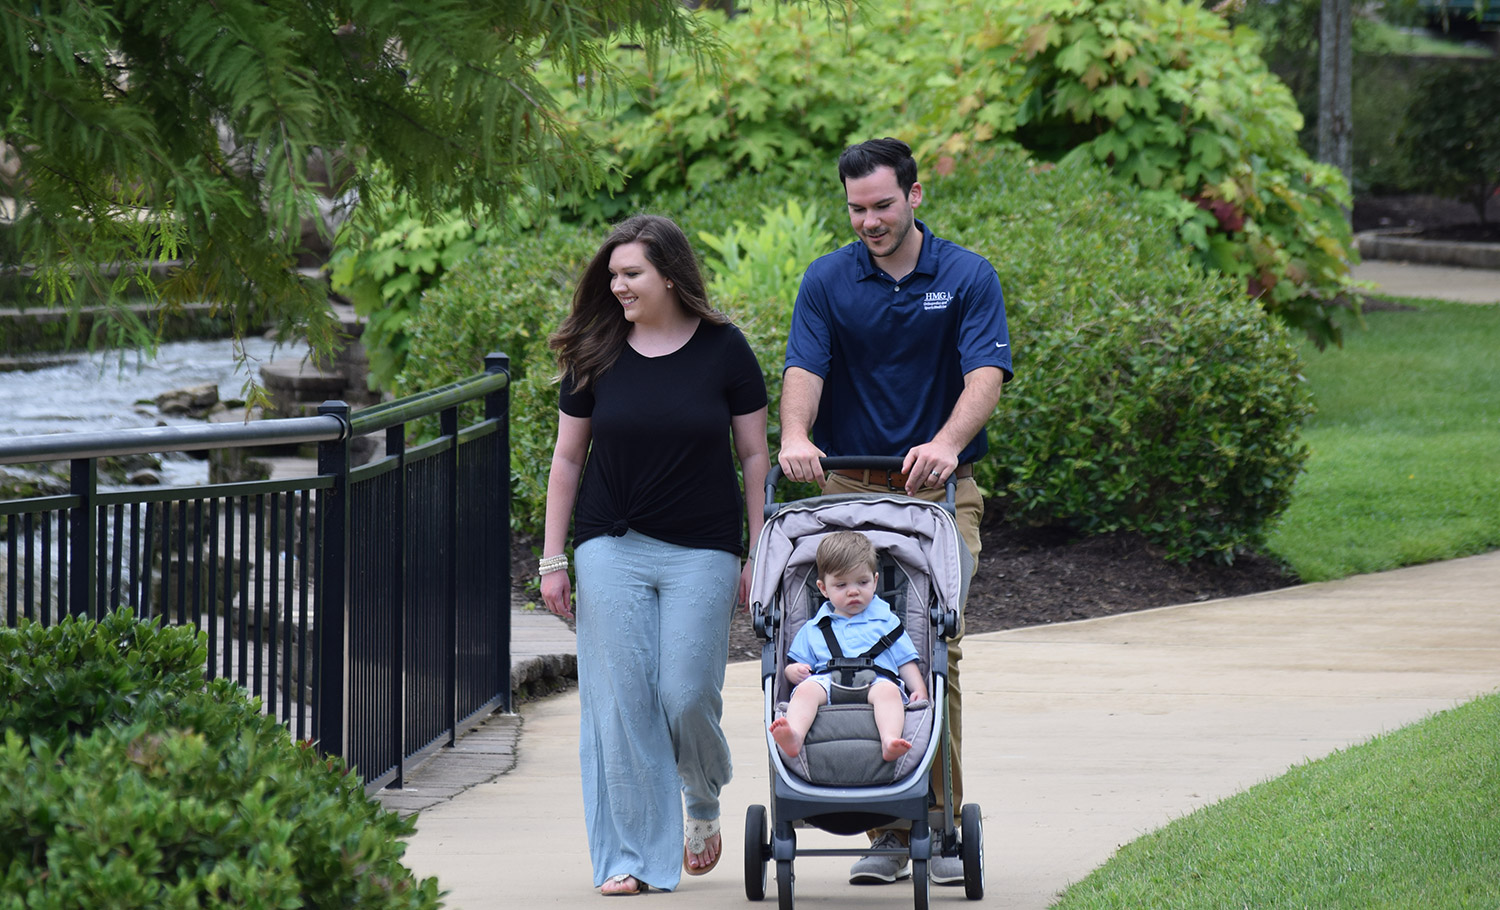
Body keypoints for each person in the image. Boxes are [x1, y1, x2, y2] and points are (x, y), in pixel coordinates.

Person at [777, 137, 1012, 886]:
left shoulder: (967, 276)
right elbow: (804, 366)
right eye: (856, 209)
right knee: (845, 651)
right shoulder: (828, 279)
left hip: (938, 494)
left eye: (882, 205)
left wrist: (946, 443)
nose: (869, 221)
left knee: (934, 650)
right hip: (848, 491)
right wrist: (795, 435)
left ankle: (935, 828)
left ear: (914, 195)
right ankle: (884, 829)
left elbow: (985, 372)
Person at [540, 214, 770, 897]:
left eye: (631, 273)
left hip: (703, 547)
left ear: (669, 274)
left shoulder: (725, 349)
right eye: (612, 275)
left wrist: (760, 549)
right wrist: (553, 559)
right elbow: (567, 458)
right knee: (622, 705)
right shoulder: (596, 349)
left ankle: (701, 792)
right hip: (611, 543)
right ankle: (631, 857)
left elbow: (754, 455)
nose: (618, 286)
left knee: (686, 694)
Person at [770, 531, 929, 763]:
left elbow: (905, 662)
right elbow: (796, 664)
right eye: (841, 585)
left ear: (875, 581)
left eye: (862, 582)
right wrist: (792, 671)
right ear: (823, 589)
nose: (853, 591)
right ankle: (795, 736)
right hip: (827, 682)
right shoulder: (814, 627)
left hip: (877, 680)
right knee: (806, 691)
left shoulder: (887, 622)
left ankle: (889, 740)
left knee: (889, 692)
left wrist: (920, 689)